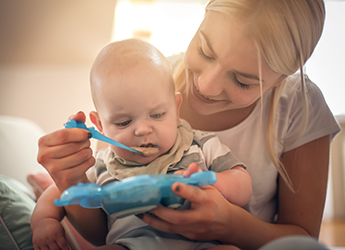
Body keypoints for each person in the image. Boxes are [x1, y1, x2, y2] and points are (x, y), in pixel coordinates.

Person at [35, 0, 340, 249]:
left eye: (242, 80)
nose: (206, 86)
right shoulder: (141, 84)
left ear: (282, 78)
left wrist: (229, 224)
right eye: (205, 50)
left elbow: (302, 242)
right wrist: (71, 179)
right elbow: (101, 230)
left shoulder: (297, 106)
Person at [31, 38, 252, 250]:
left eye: (157, 115)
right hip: (130, 245)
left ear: (176, 110)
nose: (143, 129)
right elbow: (58, 193)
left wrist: (215, 183)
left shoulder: (200, 144)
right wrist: (44, 222)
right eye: (124, 122)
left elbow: (243, 184)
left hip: (203, 243)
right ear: (100, 125)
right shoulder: (99, 164)